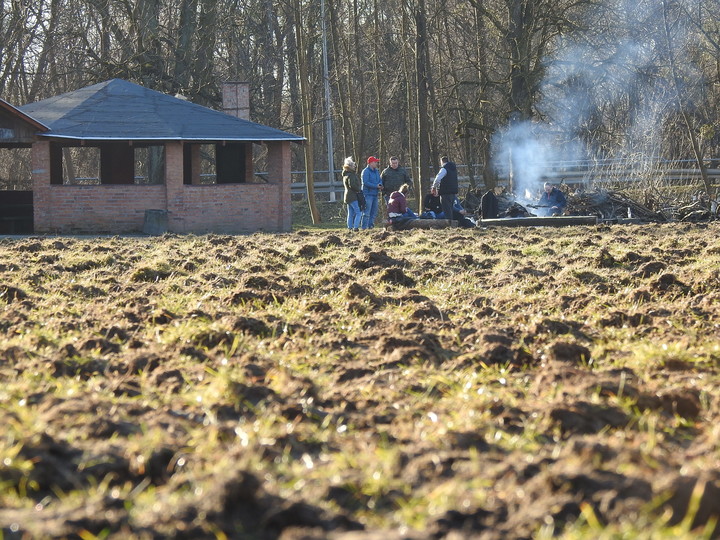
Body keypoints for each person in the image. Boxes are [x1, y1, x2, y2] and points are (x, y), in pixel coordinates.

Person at [430, 156, 459, 225]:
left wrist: (434, 187)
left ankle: (448, 225)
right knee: (450, 210)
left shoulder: (444, 169)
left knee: (446, 211)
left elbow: (437, 179)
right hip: (453, 193)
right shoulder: (453, 169)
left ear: (442, 161)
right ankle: (452, 224)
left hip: (445, 193)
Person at [361, 156, 383, 229]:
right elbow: (365, 182)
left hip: (375, 194)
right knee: (367, 212)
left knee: (373, 212)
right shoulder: (365, 171)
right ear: (371, 163)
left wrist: (380, 184)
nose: (376, 163)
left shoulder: (376, 171)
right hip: (367, 195)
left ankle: (370, 226)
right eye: (375, 162)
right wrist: (376, 186)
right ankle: (364, 227)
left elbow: (380, 179)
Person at [342, 157, 363, 231]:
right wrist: (359, 189)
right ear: (350, 166)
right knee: (358, 213)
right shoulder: (351, 175)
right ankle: (356, 227)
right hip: (352, 196)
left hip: (347, 197)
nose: (355, 166)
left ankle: (349, 227)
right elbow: (353, 185)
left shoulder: (345, 175)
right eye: (353, 165)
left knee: (350, 213)